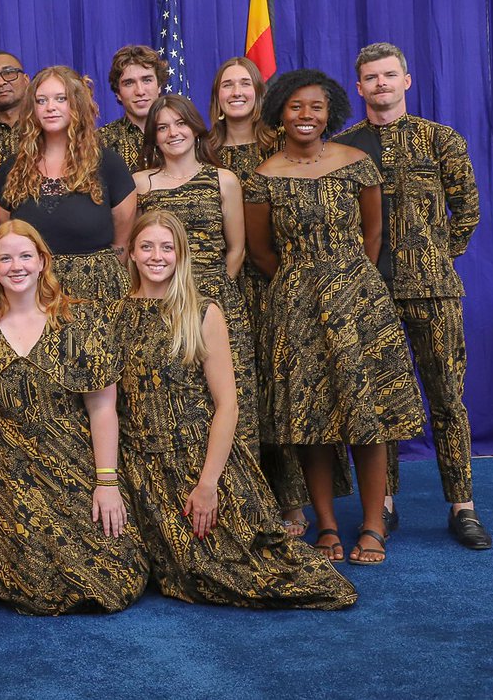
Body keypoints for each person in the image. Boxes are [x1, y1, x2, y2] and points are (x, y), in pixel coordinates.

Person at [115, 210, 356, 608]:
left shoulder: (203, 313)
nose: (157, 256)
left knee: (243, 569)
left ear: (181, 255)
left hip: (196, 457)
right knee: (181, 573)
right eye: (147, 246)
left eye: (167, 247)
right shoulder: (117, 314)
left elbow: (228, 405)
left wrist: (208, 484)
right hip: (140, 464)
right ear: (133, 255)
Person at [244, 69, 426, 566]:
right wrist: (306, 284)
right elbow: (261, 252)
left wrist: (343, 283)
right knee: (311, 420)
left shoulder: (357, 164)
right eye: (296, 106)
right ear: (279, 111)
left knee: (368, 418)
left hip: (359, 304)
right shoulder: (263, 177)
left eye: (317, 107)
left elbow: (373, 237)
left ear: (332, 113)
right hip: (296, 309)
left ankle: (371, 525)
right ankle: (326, 524)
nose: (306, 116)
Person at [333, 42, 489, 549]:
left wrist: (435, 257)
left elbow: (466, 210)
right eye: (370, 78)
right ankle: (385, 503)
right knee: (381, 400)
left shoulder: (439, 140)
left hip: (433, 291)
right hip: (369, 292)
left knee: (446, 398)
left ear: (406, 80)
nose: (380, 84)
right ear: (359, 88)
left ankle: (462, 505)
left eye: (388, 75)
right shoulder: (346, 147)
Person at [0, 220, 148, 615]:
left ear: (43, 262)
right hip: (7, 463)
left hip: (71, 450)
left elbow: (102, 408)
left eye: (25, 256)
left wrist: (107, 482)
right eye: (5, 258)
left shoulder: (78, 323)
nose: (16, 266)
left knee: (117, 577)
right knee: (35, 583)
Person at [206, 57, 317, 537]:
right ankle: (243, 494)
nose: (237, 91)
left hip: (278, 285)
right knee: (235, 396)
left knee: (279, 391)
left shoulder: (280, 142)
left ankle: (292, 500)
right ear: (217, 94)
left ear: (259, 90)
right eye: (227, 84)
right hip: (224, 291)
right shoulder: (204, 147)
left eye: (245, 83)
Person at [133, 95, 255, 453]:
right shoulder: (141, 184)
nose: (173, 133)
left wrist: (213, 297)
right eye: (162, 127)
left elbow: (236, 249)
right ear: (153, 137)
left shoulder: (223, 180)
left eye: (180, 123)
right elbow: (131, 249)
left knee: (233, 401)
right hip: (163, 306)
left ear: (195, 127)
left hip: (217, 303)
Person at [0, 66, 135, 304]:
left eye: (61, 99)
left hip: (100, 295)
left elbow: (123, 232)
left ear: (77, 104)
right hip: (35, 293)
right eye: (42, 100)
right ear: (32, 109)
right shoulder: (12, 169)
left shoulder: (107, 163)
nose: (50, 107)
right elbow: (6, 229)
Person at [97, 45, 168, 172]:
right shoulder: (100, 141)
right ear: (118, 93)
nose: (140, 91)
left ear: (159, 86)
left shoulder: (181, 134)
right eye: (129, 83)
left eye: (147, 80)